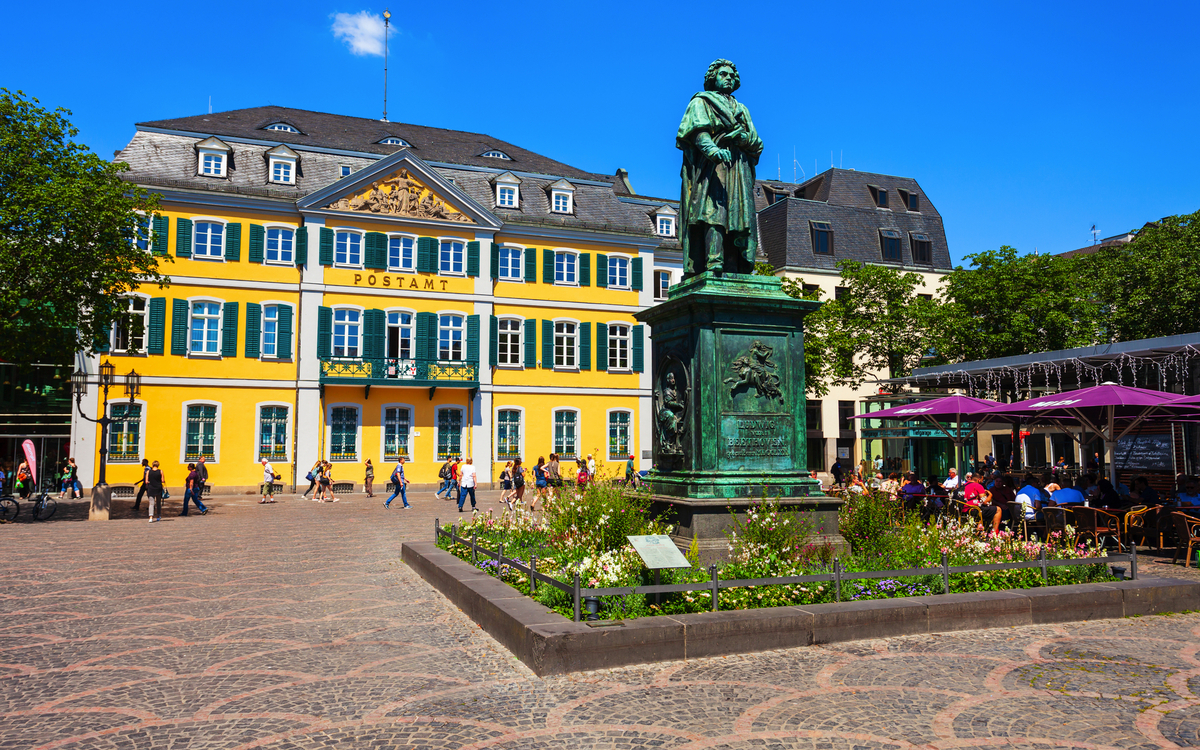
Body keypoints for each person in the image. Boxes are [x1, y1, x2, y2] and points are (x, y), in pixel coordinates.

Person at [676, 58, 763, 276]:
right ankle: (714, 263)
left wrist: (742, 138)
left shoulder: (742, 108)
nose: (729, 79)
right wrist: (714, 152)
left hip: (738, 168)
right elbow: (698, 133)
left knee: (737, 218)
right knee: (714, 213)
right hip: (713, 168)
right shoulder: (701, 102)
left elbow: (757, 143)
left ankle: (733, 266)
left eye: (732, 76)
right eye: (724, 74)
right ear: (713, 77)